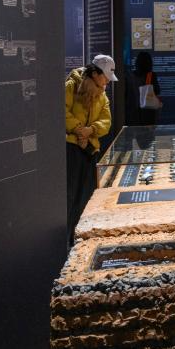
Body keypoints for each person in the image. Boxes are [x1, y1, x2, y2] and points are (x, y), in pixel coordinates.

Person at [65, 54, 116, 244]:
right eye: (105, 77)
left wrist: (91, 130)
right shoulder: (72, 86)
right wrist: (79, 130)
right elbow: (62, 111)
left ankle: (79, 237)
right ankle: (67, 239)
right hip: (72, 148)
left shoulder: (102, 95)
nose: (107, 82)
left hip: (90, 150)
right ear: (95, 73)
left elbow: (106, 121)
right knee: (70, 195)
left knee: (86, 195)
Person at [125, 51, 161, 126]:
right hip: (147, 112)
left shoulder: (130, 76)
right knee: (148, 132)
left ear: (137, 62)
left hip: (132, 110)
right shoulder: (151, 76)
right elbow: (157, 91)